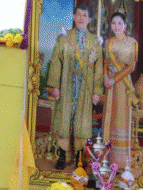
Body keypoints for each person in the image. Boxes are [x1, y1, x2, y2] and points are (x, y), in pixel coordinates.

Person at [46, 3, 103, 170]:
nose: (81, 18)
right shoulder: (64, 37)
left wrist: (97, 91)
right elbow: (56, 61)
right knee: (64, 119)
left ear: (89, 19)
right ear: (73, 17)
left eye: (85, 15)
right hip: (66, 85)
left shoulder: (95, 42)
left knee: (82, 122)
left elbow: (99, 69)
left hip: (85, 88)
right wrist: (54, 85)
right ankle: (62, 156)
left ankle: (79, 159)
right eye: (78, 14)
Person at [102, 11, 138, 167]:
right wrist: (105, 78)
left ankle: (121, 162)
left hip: (123, 85)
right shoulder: (107, 42)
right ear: (110, 25)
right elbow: (104, 63)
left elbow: (131, 67)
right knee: (109, 118)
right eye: (114, 23)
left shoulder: (132, 43)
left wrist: (114, 80)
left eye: (119, 23)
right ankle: (106, 159)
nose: (116, 26)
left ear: (125, 25)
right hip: (109, 85)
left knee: (121, 119)